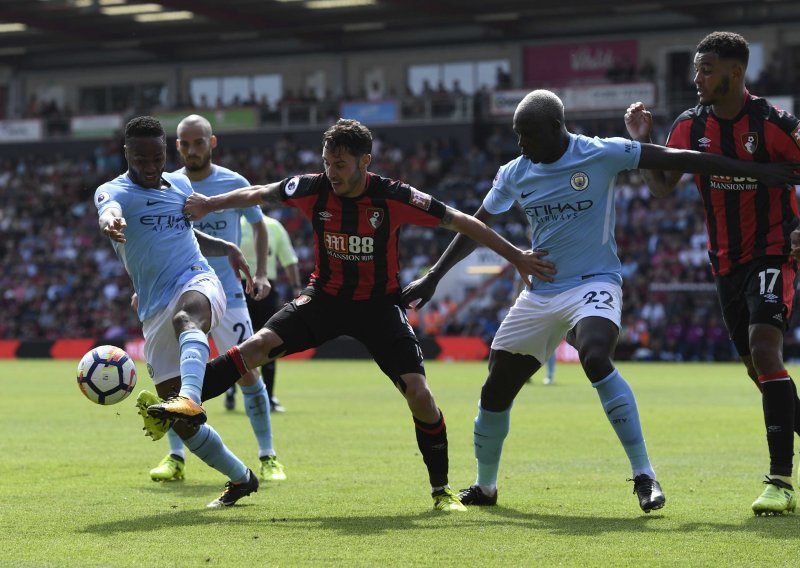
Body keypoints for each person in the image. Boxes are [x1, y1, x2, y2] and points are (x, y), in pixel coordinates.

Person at [400, 89, 800, 514]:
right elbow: (475, 226)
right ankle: (485, 486)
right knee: (496, 387)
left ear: (556, 128)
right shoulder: (514, 173)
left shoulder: (602, 153)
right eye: (517, 135)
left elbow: (683, 158)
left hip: (595, 283)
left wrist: (758, 172)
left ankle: (645, 475)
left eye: (528, 135)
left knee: (594, 355)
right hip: (541, 291)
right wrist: (433, 277)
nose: (521, 144)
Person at [167, 118, 554, 512]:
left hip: (378, 308)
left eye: (340, 165)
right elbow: (258, 193)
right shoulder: (311, 187)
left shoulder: (394, 197)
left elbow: (463, 222)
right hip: (324, 300)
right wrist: (209, 204)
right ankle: (181, 399)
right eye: (326, 163)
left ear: (364, 162)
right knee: (256, 347)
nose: (331, 173)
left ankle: (442, 491)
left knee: (420, 395)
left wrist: (516, 255)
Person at [625, 31, 800, 515]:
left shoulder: (774, 123)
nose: (697, 78)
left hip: (773, 252)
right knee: (757, 369)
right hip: (725, 264)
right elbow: (661, 186)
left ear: (735, 72)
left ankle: (780, 482)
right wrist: (642, 140)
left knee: (767, 350)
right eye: (696, 69)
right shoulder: (689, 125)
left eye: (706, 69)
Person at [95, 115, 259, 508]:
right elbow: (109, 210)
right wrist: (110, 221)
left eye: (157, 156)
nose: (150, 165)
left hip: (197, 280)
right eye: (141, 157)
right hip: (153, 307)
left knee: (189, 317)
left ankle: (190, 394)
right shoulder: (113, 191)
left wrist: (227, 248)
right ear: (126, 154)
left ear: (166, 153)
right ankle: (242, 478)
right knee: (181, 425)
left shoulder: (181, 184)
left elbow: (185, 231)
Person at [146, 114, 286, 484]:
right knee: (175, 384)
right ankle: (175, 457)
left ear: (212, 142)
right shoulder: (169, 185)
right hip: (177, 291)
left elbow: (257, 224)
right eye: (185, 143)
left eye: (198, 142)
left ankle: (268, 455)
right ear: (177, 146)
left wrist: (260, 274)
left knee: (247, 372)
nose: (192, 149)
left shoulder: (233, 182)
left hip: (227, 293)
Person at [226, 214, 302, 413]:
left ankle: (263, 394)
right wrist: (295, 287)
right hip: (243, 288)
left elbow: (289, 259)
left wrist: (296, 288)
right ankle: (236, 391)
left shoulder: (270, 226)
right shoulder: (243, 224)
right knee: (249, 341)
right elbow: (290, 260)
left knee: (262, 339)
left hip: (262, 288)